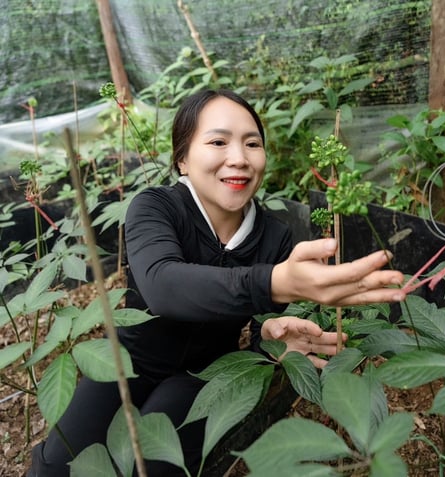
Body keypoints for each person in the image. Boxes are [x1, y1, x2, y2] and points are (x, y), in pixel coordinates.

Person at [28, 89, 405, 476]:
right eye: (218, 142)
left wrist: (274, 338)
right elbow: (163, 285)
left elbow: (262, 326)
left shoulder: (275, 237)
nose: (239, 158)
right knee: (58, 463)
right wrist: (273, 282)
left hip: (205, 372)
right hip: (129, 359)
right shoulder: (156, 207)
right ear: (182, 159)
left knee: (157, 464)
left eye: (252, 143)